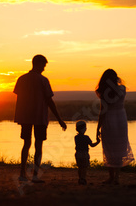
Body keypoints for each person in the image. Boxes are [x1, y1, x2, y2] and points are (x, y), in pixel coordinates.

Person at [13, 54, 67, 183]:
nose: (44, 68)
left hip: (25, 116)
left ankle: (22, 174)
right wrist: (59, 119)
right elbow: (49, 101)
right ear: (38, 64)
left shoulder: (21, 79)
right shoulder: (43, 80)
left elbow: (19, 96)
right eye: (43, 65)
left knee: (26, 144)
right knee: (38, 145)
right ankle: (35, 176)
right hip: (39, 116)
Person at [96, 69, 134, 184]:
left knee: (109, 147)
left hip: (109, 119)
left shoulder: (103, 92)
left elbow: (103, 111)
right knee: (120, 147)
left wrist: (98, 127)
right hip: (121, 118)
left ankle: (111, 177)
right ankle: (116, 177)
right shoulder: (122, 89)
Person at [74, 121, 100, 185]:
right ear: (83, 129)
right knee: (84, 167)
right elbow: (92, 145)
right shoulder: (86, 137)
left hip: (77, 153)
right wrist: (98, 142)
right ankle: (83, 179)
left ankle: (80, 178)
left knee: (80, 167)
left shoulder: (76, 137)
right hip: (84, 153)